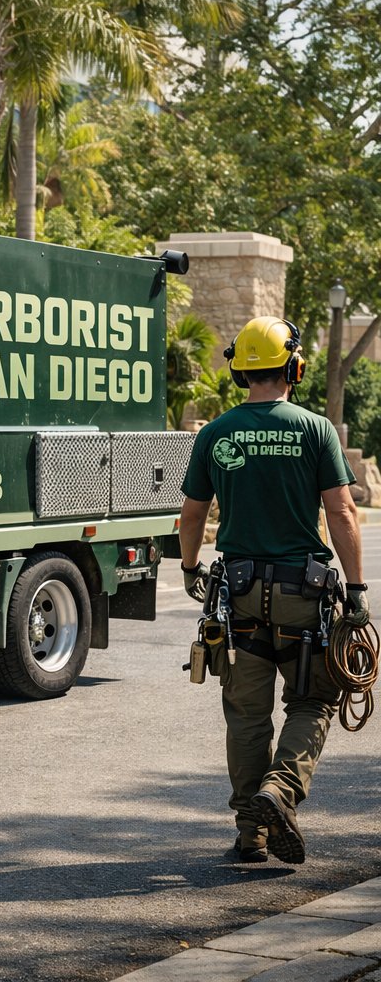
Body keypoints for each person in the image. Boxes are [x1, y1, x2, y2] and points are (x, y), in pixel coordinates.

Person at [178, 315, 369, 865]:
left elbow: (192, 515)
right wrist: (355, 591)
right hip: (302, 596)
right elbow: (341, 510)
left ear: (241, 370)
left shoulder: (216, 433)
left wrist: (192, 569)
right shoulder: (314, 430)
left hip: (237, 594)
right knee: (314, 698)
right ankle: (278, 792)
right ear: (293, 366)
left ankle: (251, 833)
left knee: (245, 713)